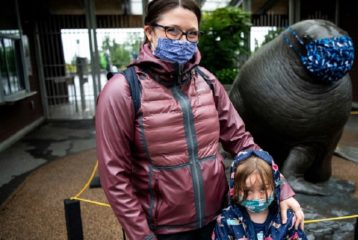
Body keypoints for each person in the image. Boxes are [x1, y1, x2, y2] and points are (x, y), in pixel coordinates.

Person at [95, 0, 304, 239]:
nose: (183, 40)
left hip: (217, 221)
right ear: (149, 32)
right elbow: (115, 177)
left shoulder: (207, 81)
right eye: (172, 30)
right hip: (161, 229)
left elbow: (242, 141)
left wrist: (283, 190)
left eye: (192, 33)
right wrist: (142, 235)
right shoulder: (122, 90)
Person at [213, 150, 308, 240]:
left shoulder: (288, 220)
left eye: (263, 189)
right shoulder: (225, 221)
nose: (256, 197)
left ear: (275, 186)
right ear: (235, 189)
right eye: (248, 191)